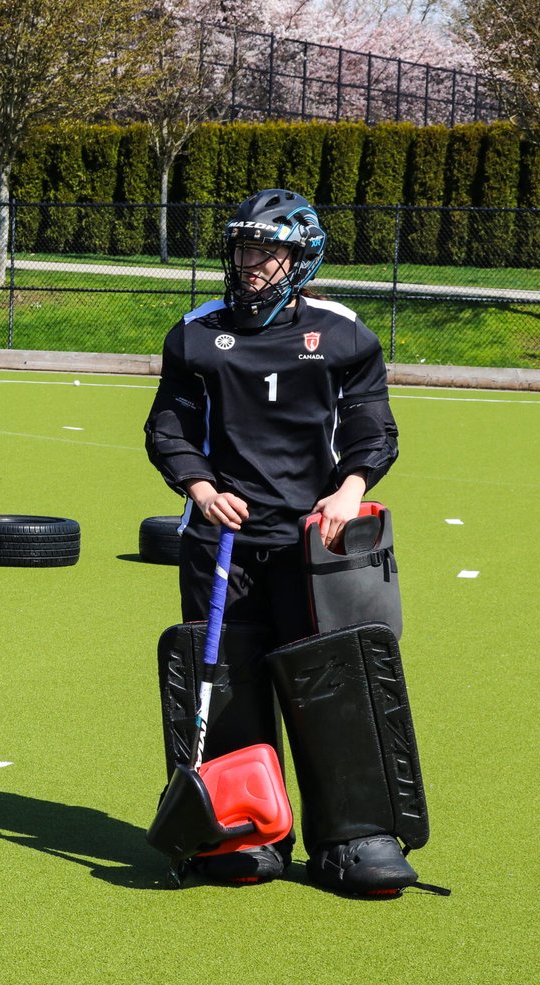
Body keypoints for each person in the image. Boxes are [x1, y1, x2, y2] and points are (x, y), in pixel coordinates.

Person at [144, 188, 422, 894]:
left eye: (267, 251)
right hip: (222, 544)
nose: (251, 264)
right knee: (230, 686)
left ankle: (352, 835)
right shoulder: (195, 335)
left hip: (315, 546)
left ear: (301, 260)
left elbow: (372, 427)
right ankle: (251, 828)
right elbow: (167, 428)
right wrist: (200, 489)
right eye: (244, 249)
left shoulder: (344, 335)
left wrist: (351, 489)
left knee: (331, 687)